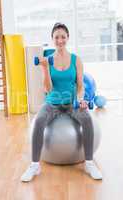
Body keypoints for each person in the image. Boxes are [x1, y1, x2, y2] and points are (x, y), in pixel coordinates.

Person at [21, 22, 103, 182]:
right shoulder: (48, 60)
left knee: (87, 119)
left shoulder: (76, 60)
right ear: (52, 39)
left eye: (63, 37)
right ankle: (34, 165)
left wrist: (81, 100)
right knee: (38, 121)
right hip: (53, 102)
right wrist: (44, 68)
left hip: (72, 102)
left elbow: (80, 85)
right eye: (56, 37)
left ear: (68, 38)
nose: (60, 40)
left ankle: (89, 163)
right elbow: (48, 89)